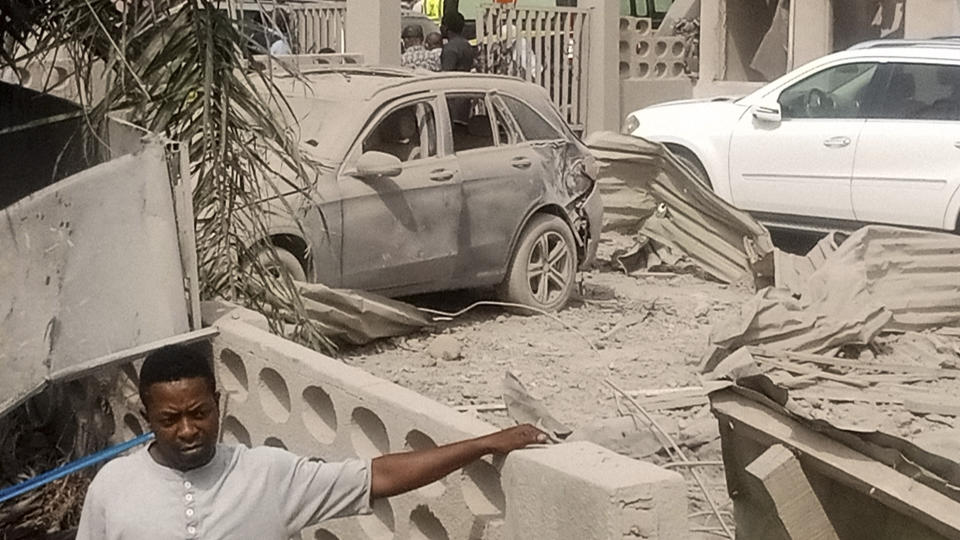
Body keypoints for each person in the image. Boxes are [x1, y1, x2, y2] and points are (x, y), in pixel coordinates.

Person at [76, 342, 545, 539]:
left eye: (200, 413)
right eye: (170, 419)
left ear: (219, 404)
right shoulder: (113, 488)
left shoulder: (267, 474)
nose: (187, 430)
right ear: (146, 417)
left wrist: (484, 443)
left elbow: (378, 475)